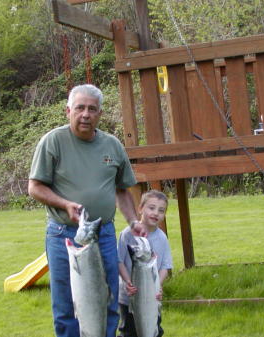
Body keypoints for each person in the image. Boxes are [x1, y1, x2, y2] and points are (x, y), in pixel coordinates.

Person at [28, 84, 145, 337]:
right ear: (68, 110)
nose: (85, 114)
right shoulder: (53, 141)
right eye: (80, 108)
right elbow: (35, 187)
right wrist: (65, 204)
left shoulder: (112, 145)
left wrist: (134, 220)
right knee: (66, 306)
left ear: (100, 114)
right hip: (64, 236)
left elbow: (122, 190)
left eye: (92, 109)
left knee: (107, 299)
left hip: (102, 234)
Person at [117, 190, 173, 337]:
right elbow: (118, 261)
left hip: (151, 298)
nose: (156, 213)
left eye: (161, 210)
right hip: (128, 297)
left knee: (154, 330)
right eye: (151, 207)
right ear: (140, 208)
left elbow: (165, 266)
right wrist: (127, 282)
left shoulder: (162, 238)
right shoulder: (127, 234)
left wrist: (157, 286)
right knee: (129, 332)